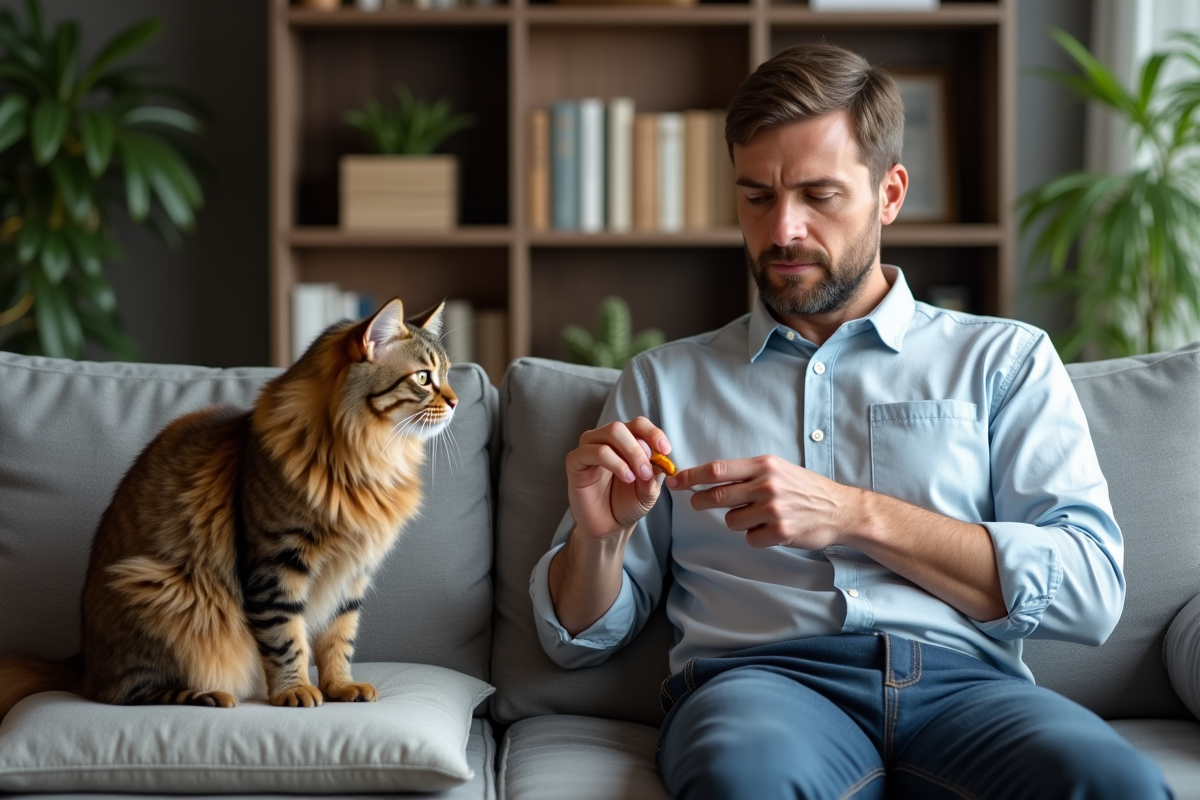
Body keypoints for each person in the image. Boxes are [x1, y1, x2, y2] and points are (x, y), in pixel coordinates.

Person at [529, 42, 1173, 800]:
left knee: (1115, 782)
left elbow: (1090, 590)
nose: (783, 230)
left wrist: (854, 514)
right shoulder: (663, 381)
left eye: (818, 195)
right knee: (744, 782)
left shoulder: (1006, 360)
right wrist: (600, 538)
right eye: (757, 197)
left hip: (970, 689)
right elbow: (576, 640)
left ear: (890, 193)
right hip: (761, 686)